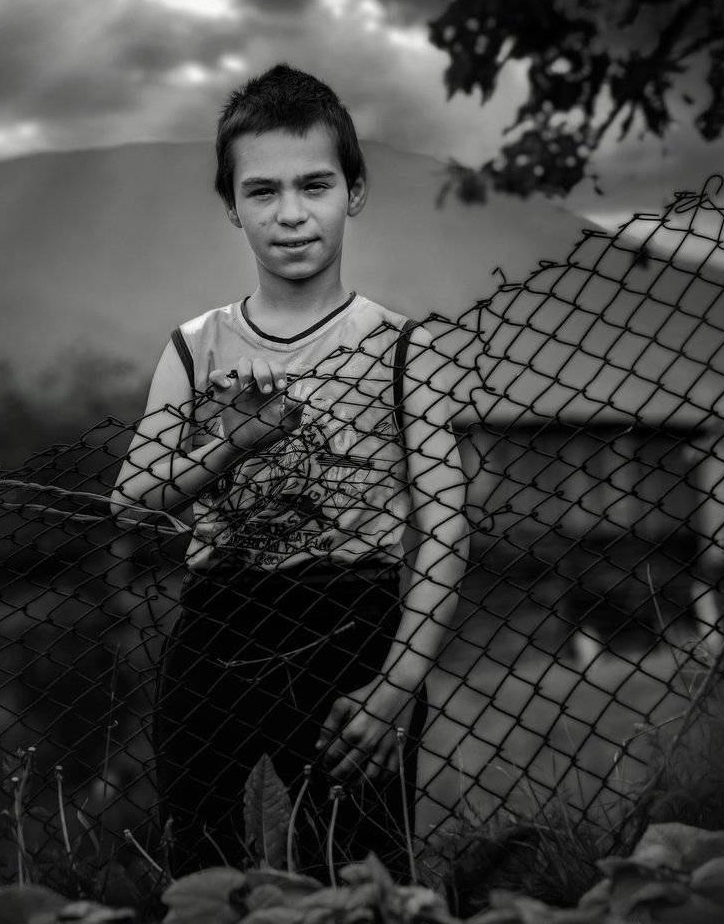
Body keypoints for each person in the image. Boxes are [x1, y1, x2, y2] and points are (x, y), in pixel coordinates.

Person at [111, 64, 469, 881]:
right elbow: (130, 500)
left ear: (354, 192)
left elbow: (446, 532)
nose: (291, 213)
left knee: (358, 872)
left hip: (354, 630)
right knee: (203, 870)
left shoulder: (402, 348)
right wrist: (230, 444)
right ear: (232, 206)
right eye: (263, 191)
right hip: (217, 631)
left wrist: (397, 684)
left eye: (314, 185)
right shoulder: (195, 346)